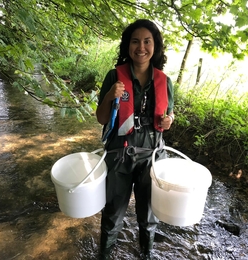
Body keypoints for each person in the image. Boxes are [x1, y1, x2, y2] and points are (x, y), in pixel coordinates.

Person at [96, 19, 174, 260]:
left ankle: (146, 253)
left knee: (149, 213)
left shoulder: (164, 81)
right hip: (120, 153)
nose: (141, 47)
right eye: (135, 41)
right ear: (127, 45)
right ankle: (105, 255)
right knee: (113, 212)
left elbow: (167, 119)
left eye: (147, 41)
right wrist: (110, 95)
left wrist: (168, 121)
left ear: (155, 46)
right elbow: (101, 118)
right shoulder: (114, 76)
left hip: (152, 155)